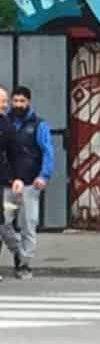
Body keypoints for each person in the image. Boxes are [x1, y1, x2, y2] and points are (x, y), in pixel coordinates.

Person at [5, 86, 53, 279]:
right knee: (4, 224)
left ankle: (24, 264)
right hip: (7, 183)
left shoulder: (39, 125)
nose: (18, 105)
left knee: (28, 225)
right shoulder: (5, 122)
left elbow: (47, 151)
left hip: (30, 184)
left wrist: (44, 175)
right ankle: (18, 252)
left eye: (22, 101)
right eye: (15, 101)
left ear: (29, 102)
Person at [0, 87, 26, 283]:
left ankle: (19, 254)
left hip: (3, 182)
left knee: (3, 225)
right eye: (2, 101)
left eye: (5, 101)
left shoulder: (6, 125)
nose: (5, 105)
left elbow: (16, 153)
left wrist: (17, 177)